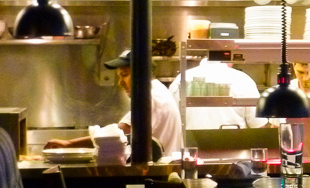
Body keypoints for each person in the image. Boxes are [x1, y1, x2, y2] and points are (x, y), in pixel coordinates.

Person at [44, 50, 183, 157]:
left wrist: (69, 144)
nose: (120, 82)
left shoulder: (150, 96)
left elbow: (116, 135)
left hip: (159, 176)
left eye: (124, 75)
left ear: (141, 73)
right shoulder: (157, 91)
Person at [168, 58, 270, 129]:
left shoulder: (181, 78)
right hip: (235, 149)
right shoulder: (242, 79)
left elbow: (170, 120)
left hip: (190, 152)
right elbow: (258, 125)